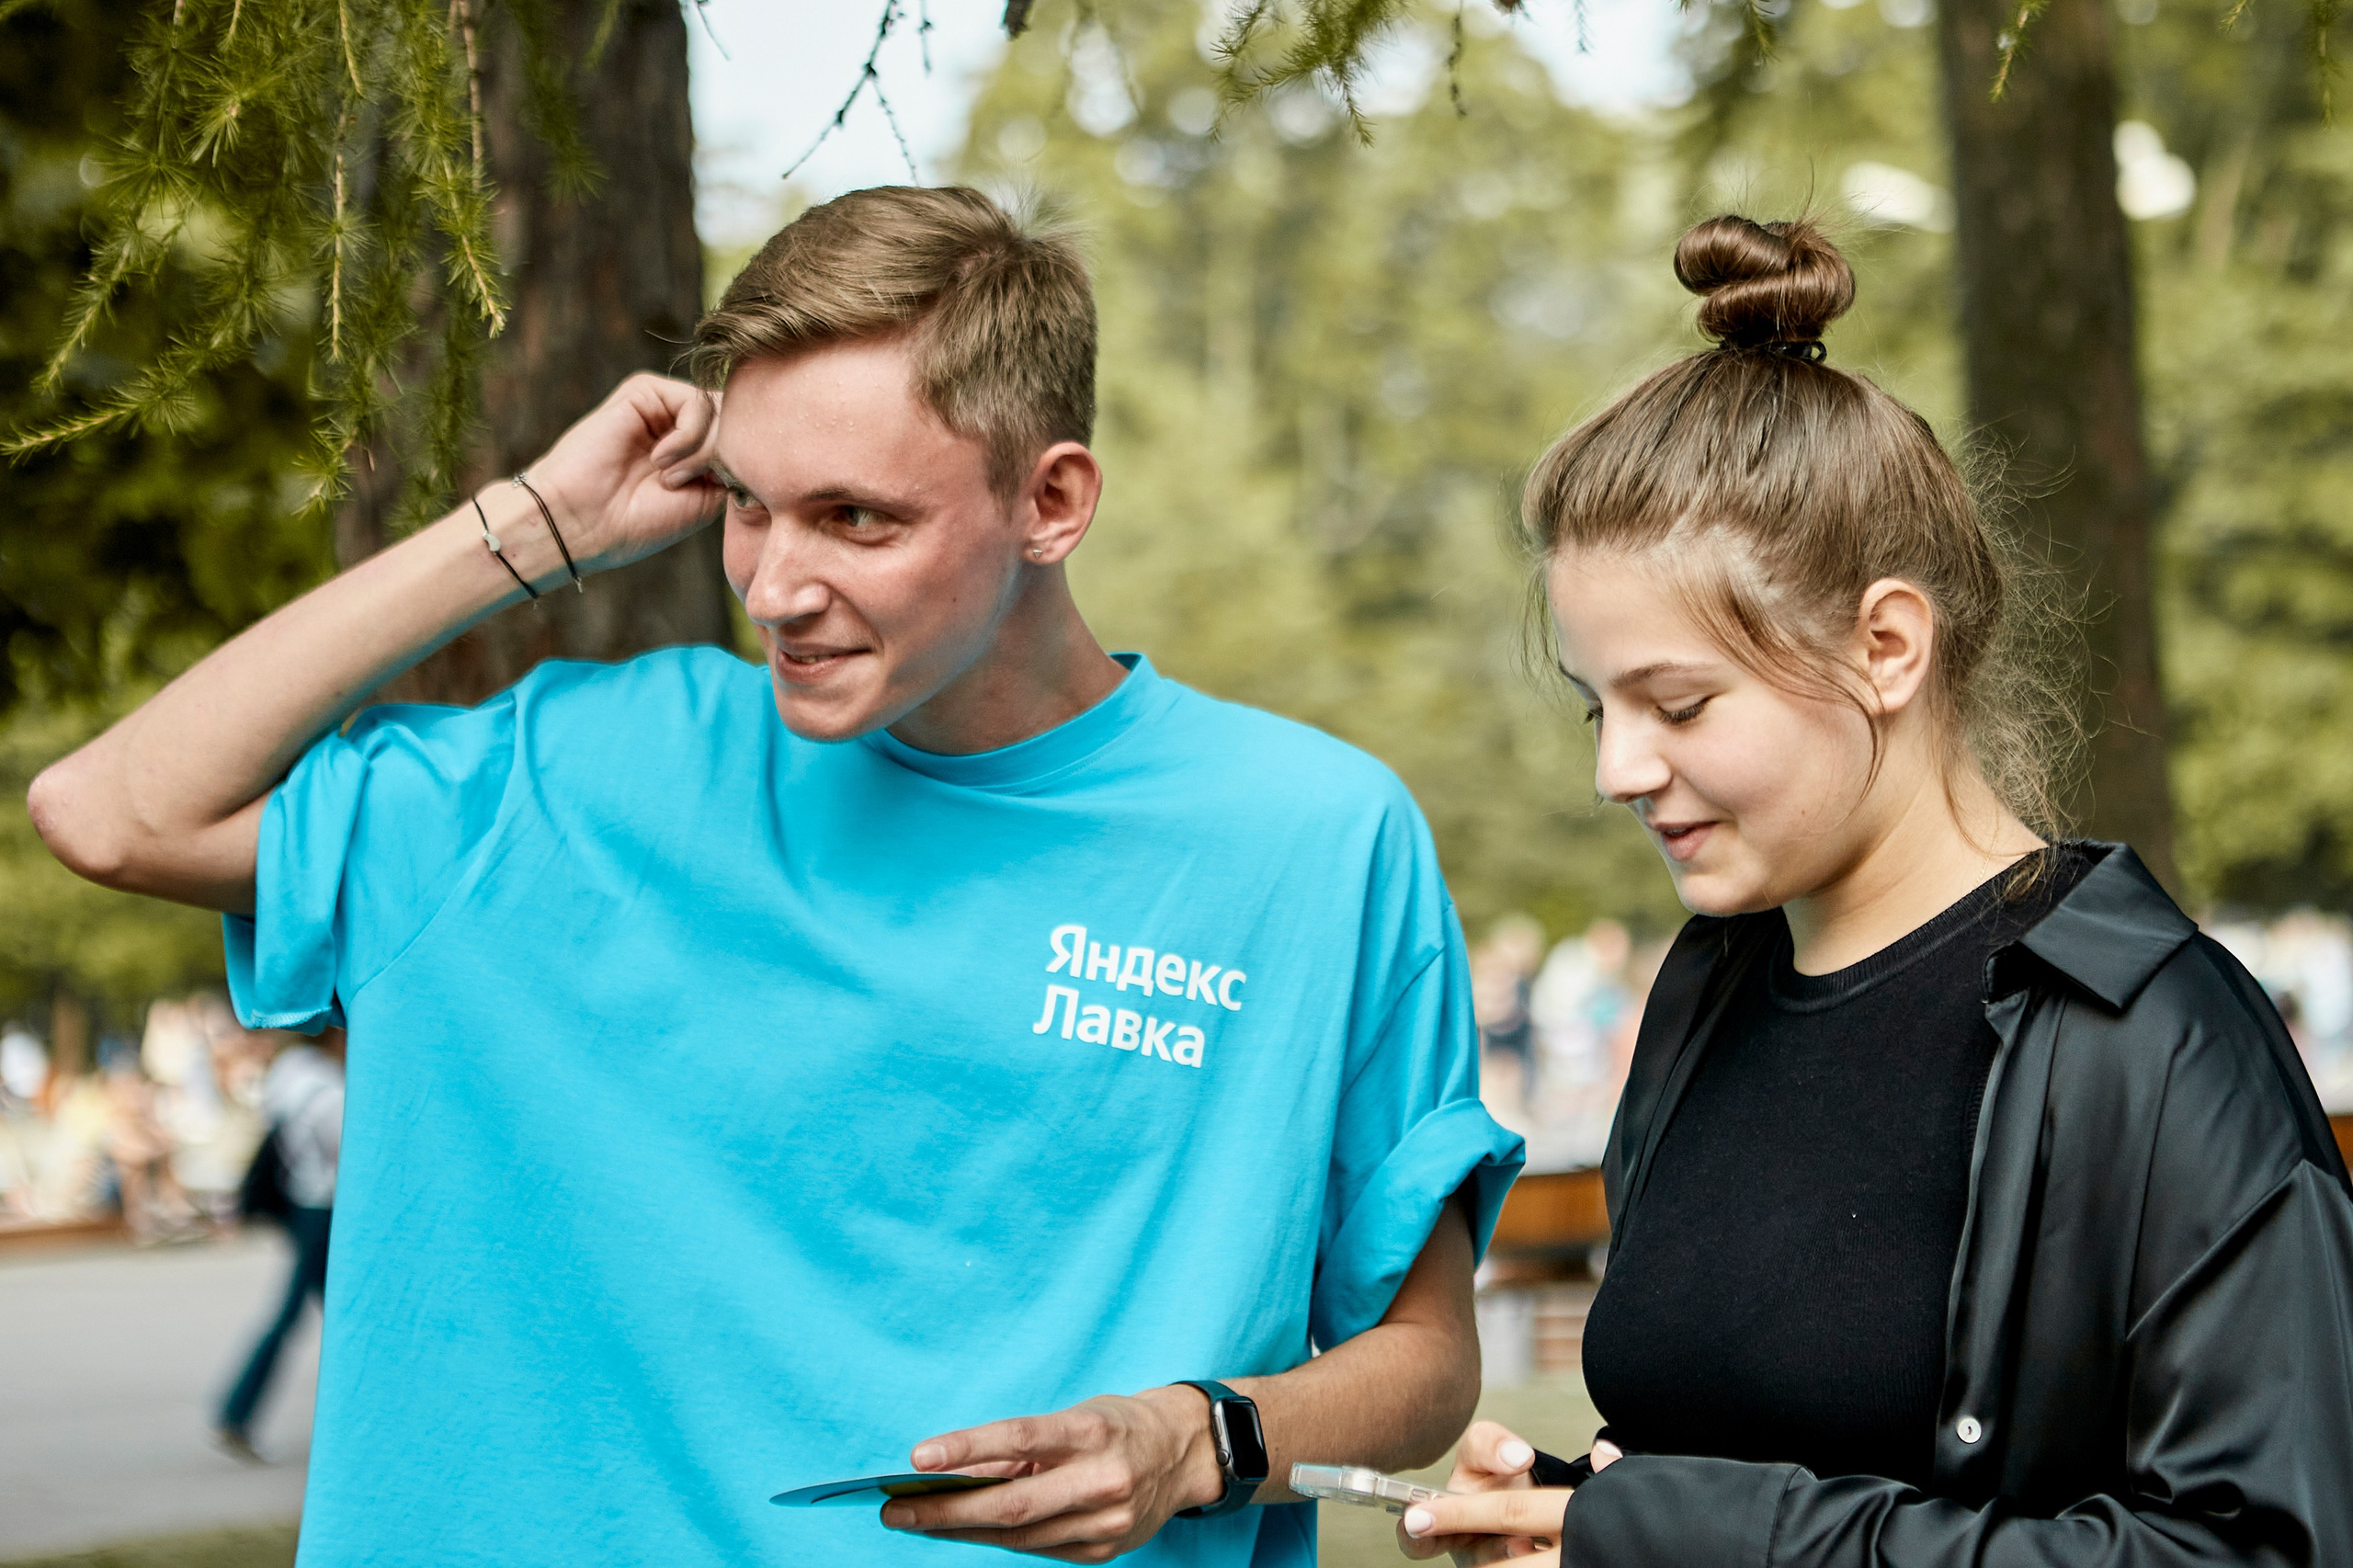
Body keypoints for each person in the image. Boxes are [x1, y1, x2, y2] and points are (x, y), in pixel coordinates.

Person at [28, 186, 1522, 1566]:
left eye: (856, 518)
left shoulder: (1313, 838)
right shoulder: (562, 778)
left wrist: (1197, 1439)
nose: (776, 587)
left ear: (1051, 501)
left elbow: (1423, 1365)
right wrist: (535, 530)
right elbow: (114, 812)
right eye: (750, 503)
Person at [1396, 215, 2353, 1567]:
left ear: (1888, 646)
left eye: (1678, 701)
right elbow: (1759, 1457)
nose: (1619, 766)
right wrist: (1576, 1509)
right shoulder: (1711, 981)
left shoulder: (2156, 1038)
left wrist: (1688, 1534)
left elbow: (2265, 1546)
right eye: (1595, 706)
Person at [215, 1028, 343, 1462]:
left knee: (331, 1315)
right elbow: (343, 1152)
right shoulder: (328, 1087)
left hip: (299, 1205)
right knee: (310, 1316)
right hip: (324, 1208)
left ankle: (238, 1411)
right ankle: (237, 1410)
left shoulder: (289, 1073)